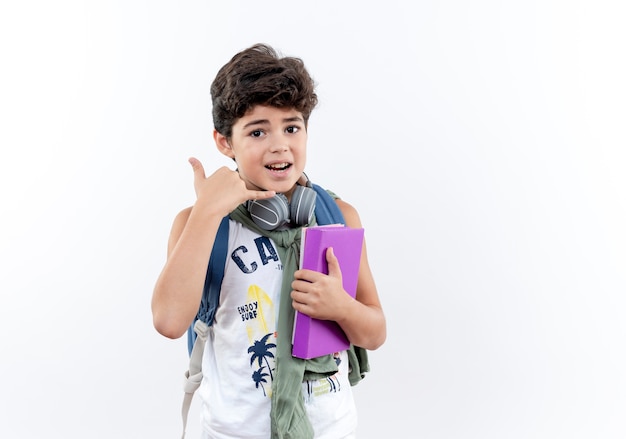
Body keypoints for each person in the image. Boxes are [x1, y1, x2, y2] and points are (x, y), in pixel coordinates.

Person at [152, 43, 386, 439]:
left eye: (291, 127)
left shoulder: (338, 217)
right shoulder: (199, 224)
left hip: (331, 430)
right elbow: (169, 322)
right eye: (258, 131)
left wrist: (341, 307)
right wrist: (208, 212)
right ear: (225, 142)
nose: (279, 144)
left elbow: (375, 333)